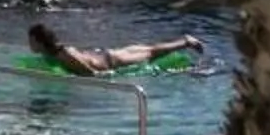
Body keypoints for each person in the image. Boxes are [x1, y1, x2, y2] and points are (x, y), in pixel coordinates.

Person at [26, 22, 203, 77]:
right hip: (108, 55)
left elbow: (89, 73)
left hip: (113, 61)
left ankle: (186, 42)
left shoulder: (63, 54)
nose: (29, 44)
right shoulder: (53, 53)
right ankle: (185, 41)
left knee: (151, 53)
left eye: (31, 41)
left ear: (40, 42)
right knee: (150, 49)